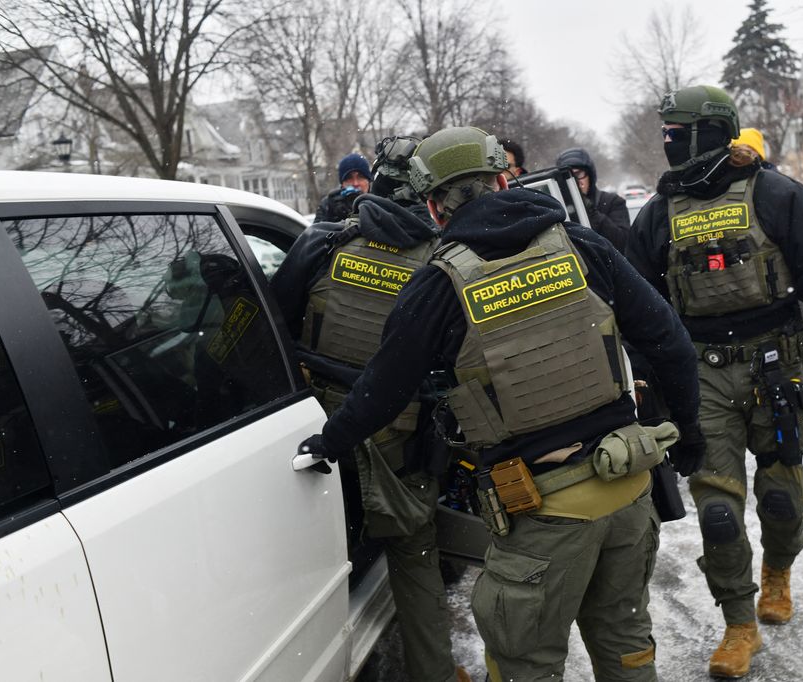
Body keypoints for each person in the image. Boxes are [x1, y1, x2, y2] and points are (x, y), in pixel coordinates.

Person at [297, 126, 704, 681]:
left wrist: (328, 442)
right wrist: (689, 429)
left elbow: (383, 389)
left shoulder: (440, 284)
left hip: (543, 509)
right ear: (505, 176)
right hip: (629, 494)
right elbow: (670, 343)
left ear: (435, 206)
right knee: (626, 645)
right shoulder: (580, 245)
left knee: (523, 665)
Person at [626, 85, 803, 679]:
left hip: (774, 364)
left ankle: (779, 569)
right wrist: (649, 385)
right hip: (700, 372)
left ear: (707, 132)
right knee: (717, 511)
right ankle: (738, 621)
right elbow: (639, 306)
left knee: (779, 495)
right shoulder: (658, 214)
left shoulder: (777, 195)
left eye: (676, 132)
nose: (668, 143)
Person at [271, 137, 470, 682]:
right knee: (414, 555)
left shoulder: (321, 245)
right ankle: (433, 671)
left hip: (315, 430)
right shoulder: (447, 262)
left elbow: (269, 330)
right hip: (400, 439)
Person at [556, 147, 631, 252]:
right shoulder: (558, 210)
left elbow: (623, 243)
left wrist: (591, 211)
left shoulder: (612, 202)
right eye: (568, 177)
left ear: (590, 175)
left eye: (579, 174)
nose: (576, 182)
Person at [314, 152, 372, 223]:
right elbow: (316, 231)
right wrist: (334, 216)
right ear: (342, 184)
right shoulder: (328, 204)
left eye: (360, 177)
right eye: (349, 178)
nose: (355, 183)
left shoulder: (380, 201)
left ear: (368, 181)